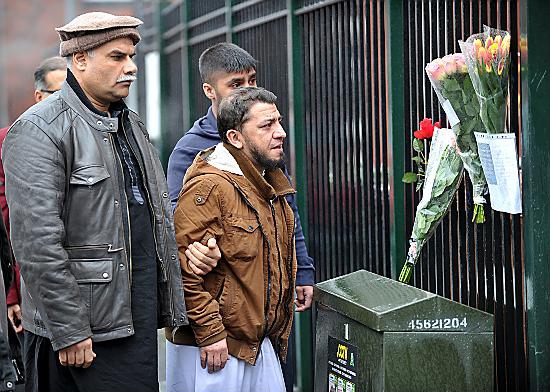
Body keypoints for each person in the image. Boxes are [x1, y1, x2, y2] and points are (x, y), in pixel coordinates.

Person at [2, 12, 187, 392]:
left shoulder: (130, 124)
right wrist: (69, 330)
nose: (131, 68)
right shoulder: (39, 129)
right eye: (117, 57)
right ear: (80, 59)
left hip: (131, 319)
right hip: (82, 334)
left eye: (132, 57)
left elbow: (150, 218)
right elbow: (37, 243)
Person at [166, 43, 314, 390]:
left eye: (252, 80)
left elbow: (286, 214)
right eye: (236, 84)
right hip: (224, 330)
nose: (247, 90)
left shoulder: (263, 150)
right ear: (210, 90)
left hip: (262, 325)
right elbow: (183, 240)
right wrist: (209, 328)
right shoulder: (195, 155)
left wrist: (301, 267)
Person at [1, 56, 67, 337]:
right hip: (31, 284)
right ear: (39, 96)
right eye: (59, 93)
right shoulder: (10, 140)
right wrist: (11, 294)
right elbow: (10, 223)